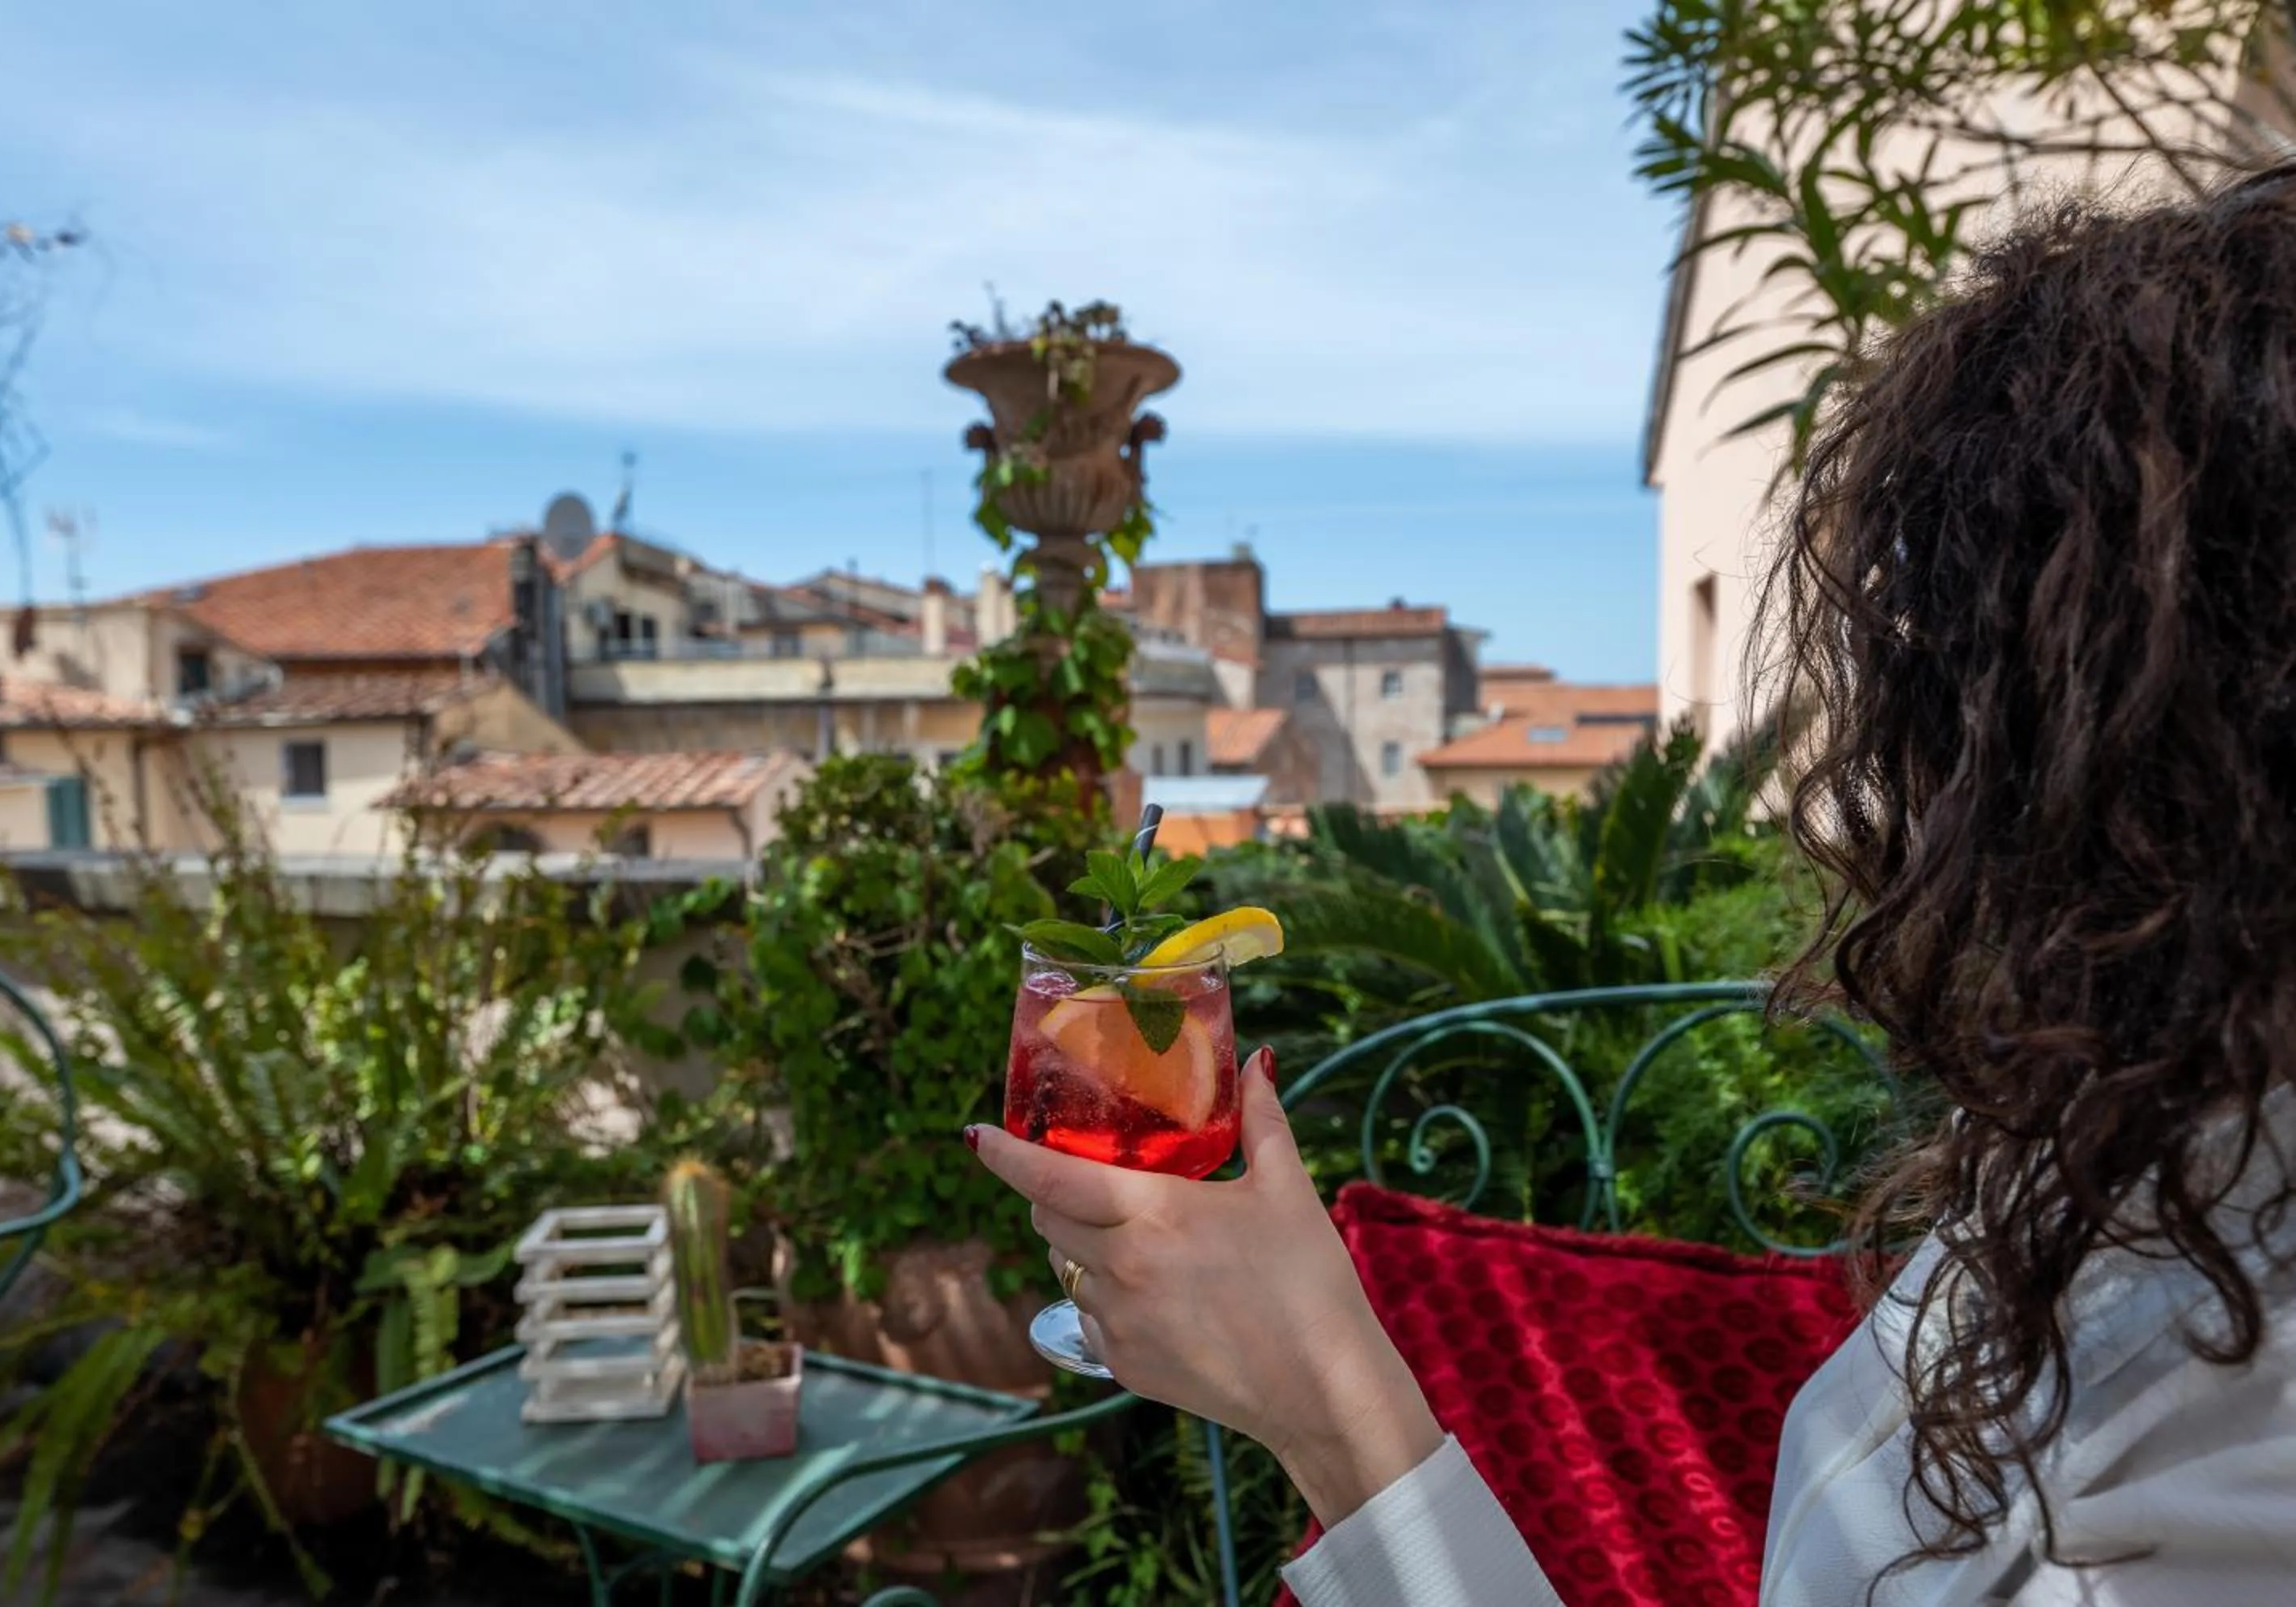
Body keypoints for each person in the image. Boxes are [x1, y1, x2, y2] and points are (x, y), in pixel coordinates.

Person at [970, 166, 2296, 1605]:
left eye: (1963, 671)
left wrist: (1331, 1401)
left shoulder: (2238, 1422)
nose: (1918, 793)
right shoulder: (2140, 1145)